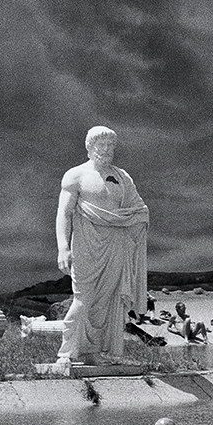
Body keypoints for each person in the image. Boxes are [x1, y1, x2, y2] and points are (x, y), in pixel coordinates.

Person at [55, 126, 149, 366]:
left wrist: (137, 220)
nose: (106, 150)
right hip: (87, 245)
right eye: (102, 145)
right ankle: (66, 353)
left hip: (116, 245)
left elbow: (138, 208)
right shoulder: (75, 175)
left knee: (105, 301)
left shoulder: (122, 177)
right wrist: (63, 247)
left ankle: (92, 352)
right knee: (83, 298)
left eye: (110, 145)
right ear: (90, 147)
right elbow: (64, 212)